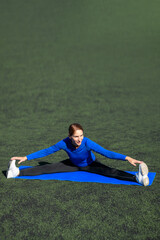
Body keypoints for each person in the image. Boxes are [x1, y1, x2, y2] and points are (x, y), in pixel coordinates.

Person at [7, 123, 149, 186]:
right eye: (76, 136)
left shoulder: (87, 143)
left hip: (90, 164)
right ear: (70, 136)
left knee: (110, 172)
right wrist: (26, 157)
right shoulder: (63, 143)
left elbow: (106, 153)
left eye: (81, 135)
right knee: (46, 169)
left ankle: (137, 178)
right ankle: (15, 172)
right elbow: (46, 151)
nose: (79, 139)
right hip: (72, 165)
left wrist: (127, 158)